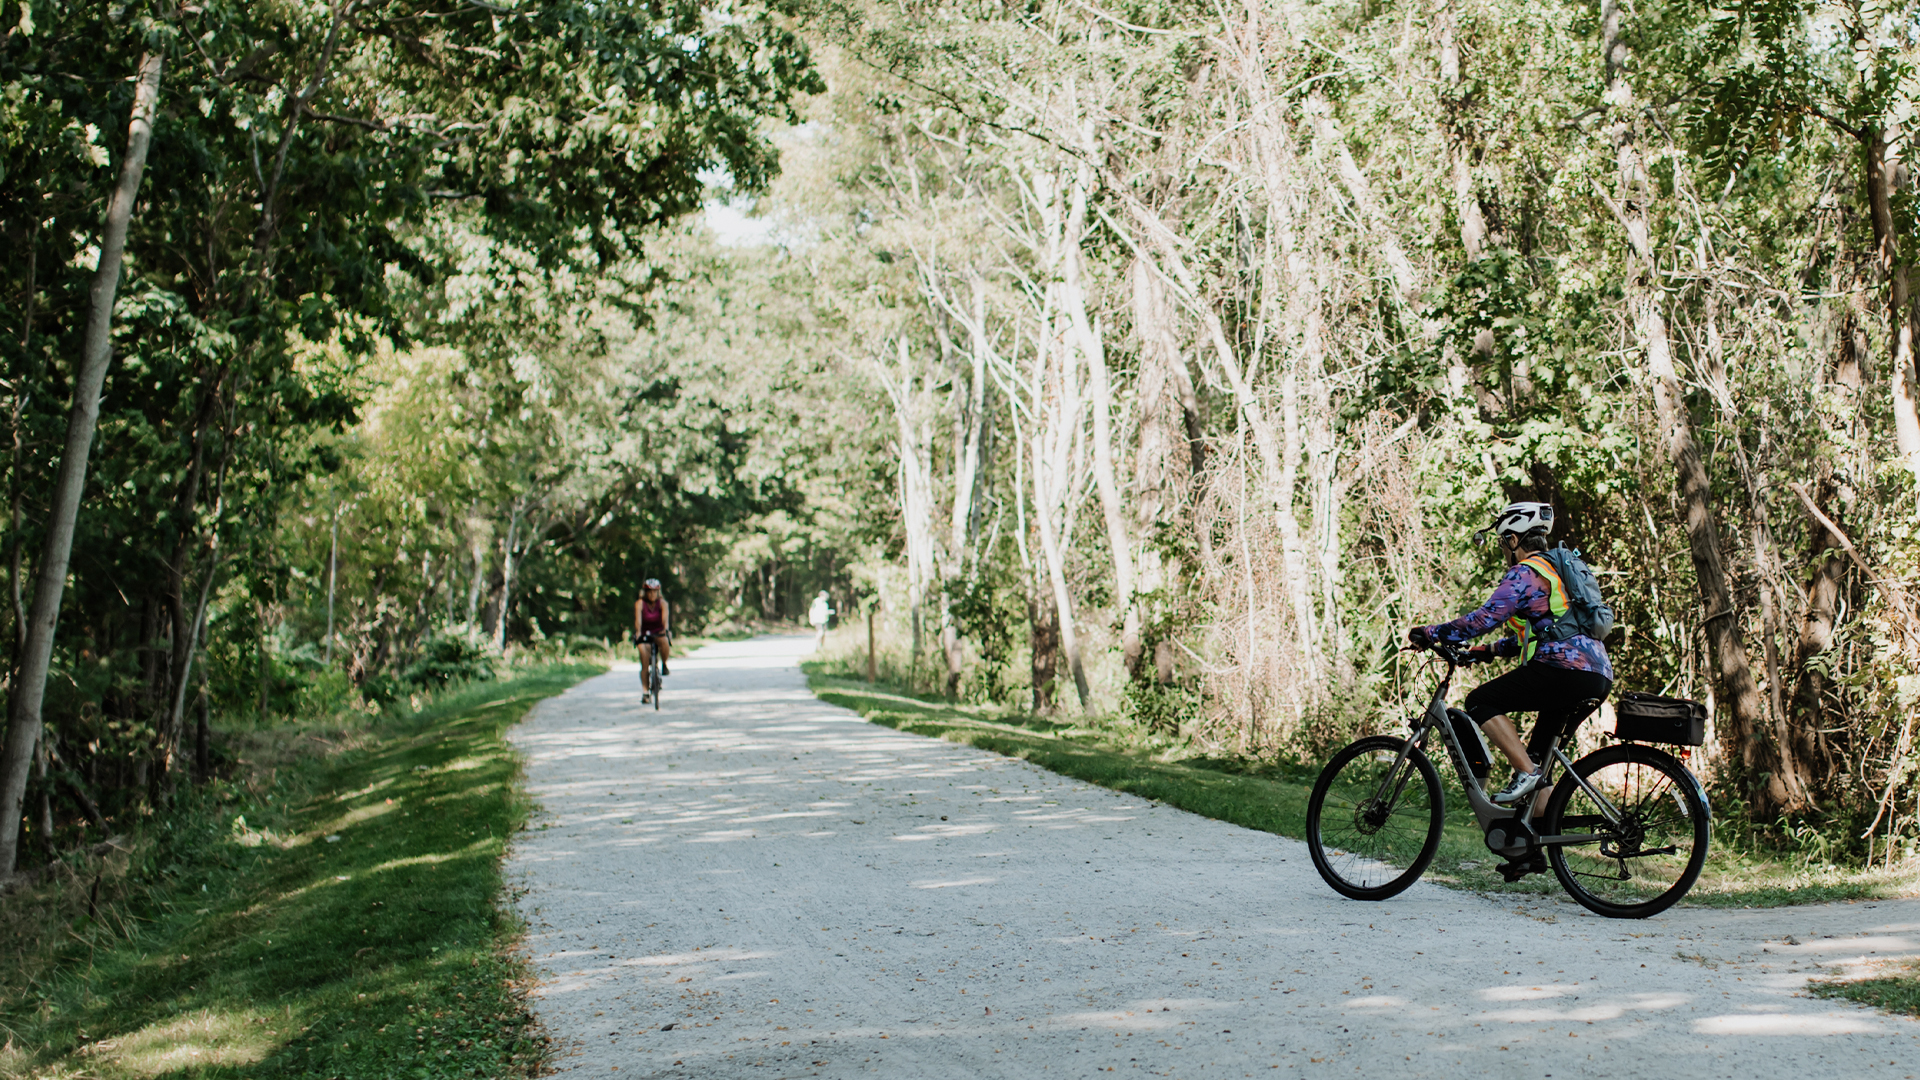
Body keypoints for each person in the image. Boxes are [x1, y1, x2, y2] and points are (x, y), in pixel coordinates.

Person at [1408, 501, 1614, 878]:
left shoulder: (1526, 571)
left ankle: (1527, 773)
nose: (1505, 551)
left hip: (1563, 669)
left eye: (1505, 543)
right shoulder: (1557, 572)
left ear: (1514, 540)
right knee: (1537, 760)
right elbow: (1535, 635)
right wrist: (1484, 652)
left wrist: (1432, 633)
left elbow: (1484, 618)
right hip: (1595, 673)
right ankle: (1529, 849)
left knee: (1480, 701)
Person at [634, 578, 671, 702]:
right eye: (649, 592)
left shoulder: (663, 603)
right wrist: (638, 633)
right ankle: (645, 692)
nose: (652, 594)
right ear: (645, 592)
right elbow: (638, 622)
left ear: (658, 592)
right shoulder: (640, 603)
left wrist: (665, 630)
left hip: (659, 632)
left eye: (654, 591)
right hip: (644, 634)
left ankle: (664, 664)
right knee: (644, 658)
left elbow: (665, 621)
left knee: (665, 641)